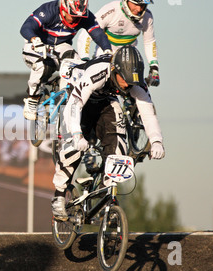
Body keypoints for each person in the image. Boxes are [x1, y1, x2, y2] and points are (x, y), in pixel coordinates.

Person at [51, 45, 165, 218]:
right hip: (76, 100)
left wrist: (156, 140)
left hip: (105, 102)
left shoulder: (134, 82)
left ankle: (108, 195)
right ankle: (59, 195)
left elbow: (148, 113)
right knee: (72, 147)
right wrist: (76, 134)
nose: (127, 85)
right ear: (114, 69)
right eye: (124, 80)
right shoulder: (98, 72)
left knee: (118, 141)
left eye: (131, 82)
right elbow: (75, 105)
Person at [20, 0, 112, 120]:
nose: (76, 19)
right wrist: (35, 39)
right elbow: (25, 27)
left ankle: (69, 99)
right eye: (72, 15)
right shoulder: (48, 10)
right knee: (43, 65)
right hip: (37, 44)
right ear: (63, 6)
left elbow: (98, 34)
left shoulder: (84, 16)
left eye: (79, 16)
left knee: (79, 66)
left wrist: (108, 51)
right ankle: (32, 98)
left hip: (62, 46)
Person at [76, 0, 160, 86]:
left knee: (141, 92)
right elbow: (87, 35)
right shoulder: (111, 10)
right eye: (136, 4)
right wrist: (84, 59)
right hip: (105, 55)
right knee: (94, 88)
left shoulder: (148, 17)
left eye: (143, 5)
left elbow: (149, 41)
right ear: (126, 0)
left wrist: (154, 67)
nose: (139, 9)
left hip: (128, 60)